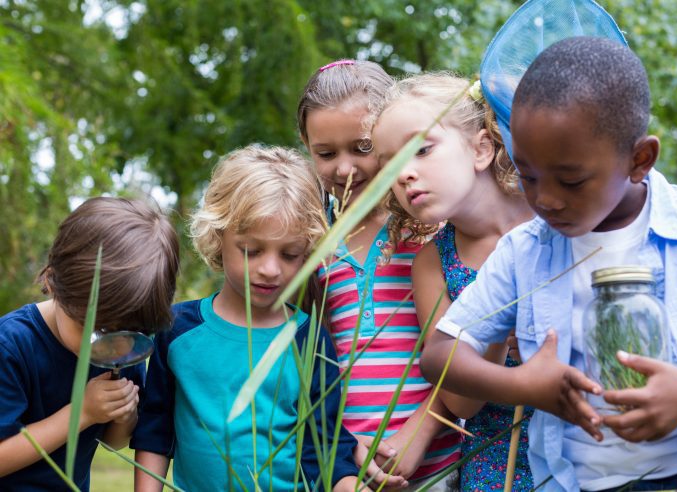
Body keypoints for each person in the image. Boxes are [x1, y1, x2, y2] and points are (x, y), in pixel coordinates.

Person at [420, 36, 677, 492]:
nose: (545, 199)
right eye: (528, 175)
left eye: (571, 179)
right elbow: (440, 355)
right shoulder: (524, 250)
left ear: (639, 159)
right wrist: (525, 385)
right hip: (577, 483)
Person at [132, 145, 362, 492]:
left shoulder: (308, 339)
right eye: (251, 251)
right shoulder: (177, 330)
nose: (270, 269)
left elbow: (324, 446)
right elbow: (155, 429)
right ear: (218, 236)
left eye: (290, 254)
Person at [298, 60, 461, 489]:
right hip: (348, 470)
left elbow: (461, 356)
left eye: (363, 148)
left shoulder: (436, 234)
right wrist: (344, 452)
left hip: (440, 464)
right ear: (306, 146)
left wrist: (421, 432)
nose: (345, 168)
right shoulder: (309, 249)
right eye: (326, 153)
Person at [370, 73, 535, 491]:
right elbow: (461, 399)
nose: (404, 174)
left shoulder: (551, 220)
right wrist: (496, 322)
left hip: (585, 446)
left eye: (422, 149)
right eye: (390, 164)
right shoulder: (432, 265)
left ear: (480, 148)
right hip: (499, 462)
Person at [0, 197, 180, 490]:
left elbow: (113, 441)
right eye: (93, 327)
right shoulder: (11, 345)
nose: (109, 345)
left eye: (127, 333)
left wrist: (123, 413)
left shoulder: (123, 348)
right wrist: (81, 412)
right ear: (53, 280)